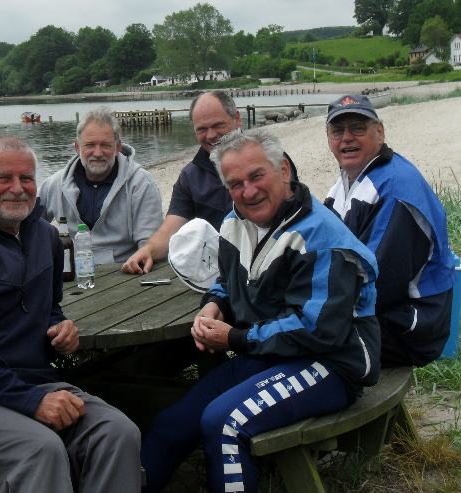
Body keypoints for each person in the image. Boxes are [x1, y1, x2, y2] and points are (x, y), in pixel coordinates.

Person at [140, 129, 380, 493]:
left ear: (284, 170)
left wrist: (235, 337)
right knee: (173, 422)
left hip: (330, 363)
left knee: (223, 423)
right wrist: (213, 306)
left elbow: (316, 330)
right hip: (269, 355)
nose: (247, 191)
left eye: (256, 176)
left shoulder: (320, 238)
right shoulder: (234, 222)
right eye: (235, 183)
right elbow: (226, 281)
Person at [0, 135, 141, 492]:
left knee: (118, 432)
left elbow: (49, 308)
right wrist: (31, 401)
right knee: (41, 449)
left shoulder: (45, 238)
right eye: (4, 178)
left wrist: (59, 329)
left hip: (33, 379)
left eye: (27, 179)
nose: (17, 189)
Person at [323, 94, 455, 367]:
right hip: (383, 313)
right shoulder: (348, 182)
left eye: (357, 128)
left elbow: (377, 282)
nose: (346, 138)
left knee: (299, 342)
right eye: (338, 130)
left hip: (410, 328)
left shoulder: (396, 190)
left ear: (380, 132)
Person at [123, 91, 298, 274]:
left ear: (237, 118)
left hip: (275, 264)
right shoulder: (190, 177)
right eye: (202, 129)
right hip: (214, 271)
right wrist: (148, 249)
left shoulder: (270, 161)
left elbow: (291, 216)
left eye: (218, 125)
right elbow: (171, 228)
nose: (211, 135)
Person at [38, 107, 162, 264]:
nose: (97, 153)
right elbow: (25, 221)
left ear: (117, 147)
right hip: (72, 275)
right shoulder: (55, 184)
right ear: (77, 147)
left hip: (124, 274)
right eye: (90, 145)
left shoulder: (142, 183)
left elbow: (150, 244)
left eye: (105, 145)